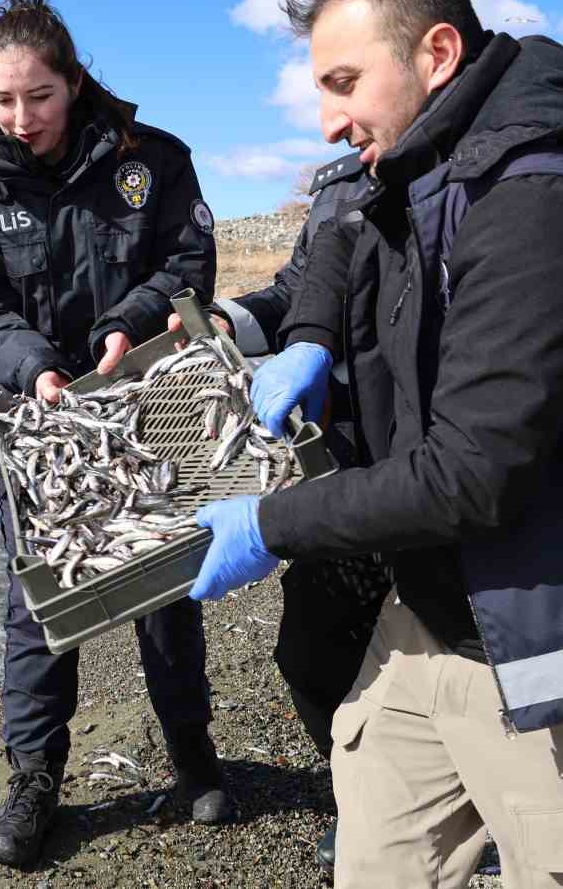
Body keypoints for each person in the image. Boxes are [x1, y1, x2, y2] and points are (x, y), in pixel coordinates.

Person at [190, 0, 563, 889]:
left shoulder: (542, 194)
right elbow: (342, 236)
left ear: (436, 55)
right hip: (433, 608)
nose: (328, 117)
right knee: (377, 861)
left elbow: (473, 473)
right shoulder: (418, 162)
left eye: (345, 82)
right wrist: (307, 334)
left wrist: (269, 525)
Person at [0, 0, 234, 868]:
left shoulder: (152, 161)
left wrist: (125, 328)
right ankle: (36, 779)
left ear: (73, 84)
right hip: (32, 420)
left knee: (165, 583)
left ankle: (193, 756)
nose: (21, 117)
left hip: (148, 403)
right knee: (42, 598)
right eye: (5, 99)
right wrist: (35, 367)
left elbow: (187, 269)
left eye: (39, 96)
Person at [180, 153, 391, 870]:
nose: (338, 123)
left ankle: (434, 806)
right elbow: (297, 290)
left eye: (348, 83)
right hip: (336, 462)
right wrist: (229, 321)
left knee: (435, 658)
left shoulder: (463, 186)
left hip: (430, 466)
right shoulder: (339, 188)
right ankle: (358, 792)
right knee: (309, 654)